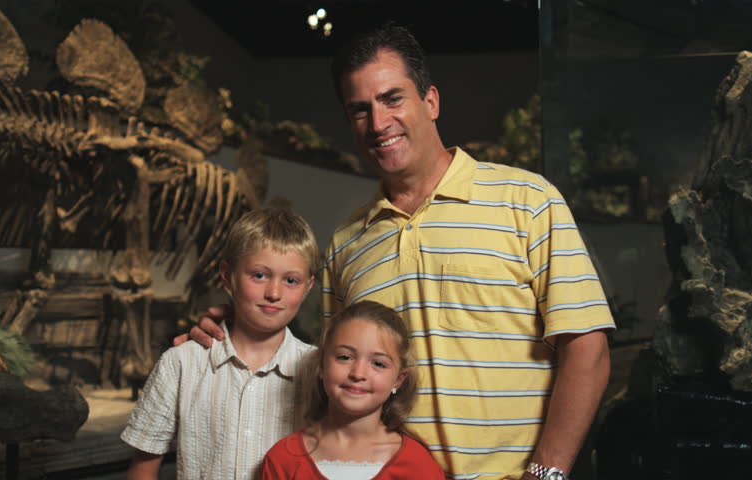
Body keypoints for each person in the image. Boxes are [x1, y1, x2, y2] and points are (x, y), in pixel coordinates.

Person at [181, 23, 614, 480]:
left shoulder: (527, 200)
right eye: (360, 110)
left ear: (430, 101)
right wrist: (241, 333)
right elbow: (334, 370)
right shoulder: (348, 241)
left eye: (392, 99)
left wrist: (546, 475)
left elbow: (587, 348)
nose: (379, 122)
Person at [123, 206, 319, 479]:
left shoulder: (320, 371)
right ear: (227, 276)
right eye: (259, 275)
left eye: (290, 280)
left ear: (308, 286)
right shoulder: (180, 363)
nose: (274, 293)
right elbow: (143, 469)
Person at [260, 300, 445, 480]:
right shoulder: (284, 459)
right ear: (322, 365)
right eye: (344, 357)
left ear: (398, 380)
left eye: (378, 363)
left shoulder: (417, 465)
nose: (358, 373)